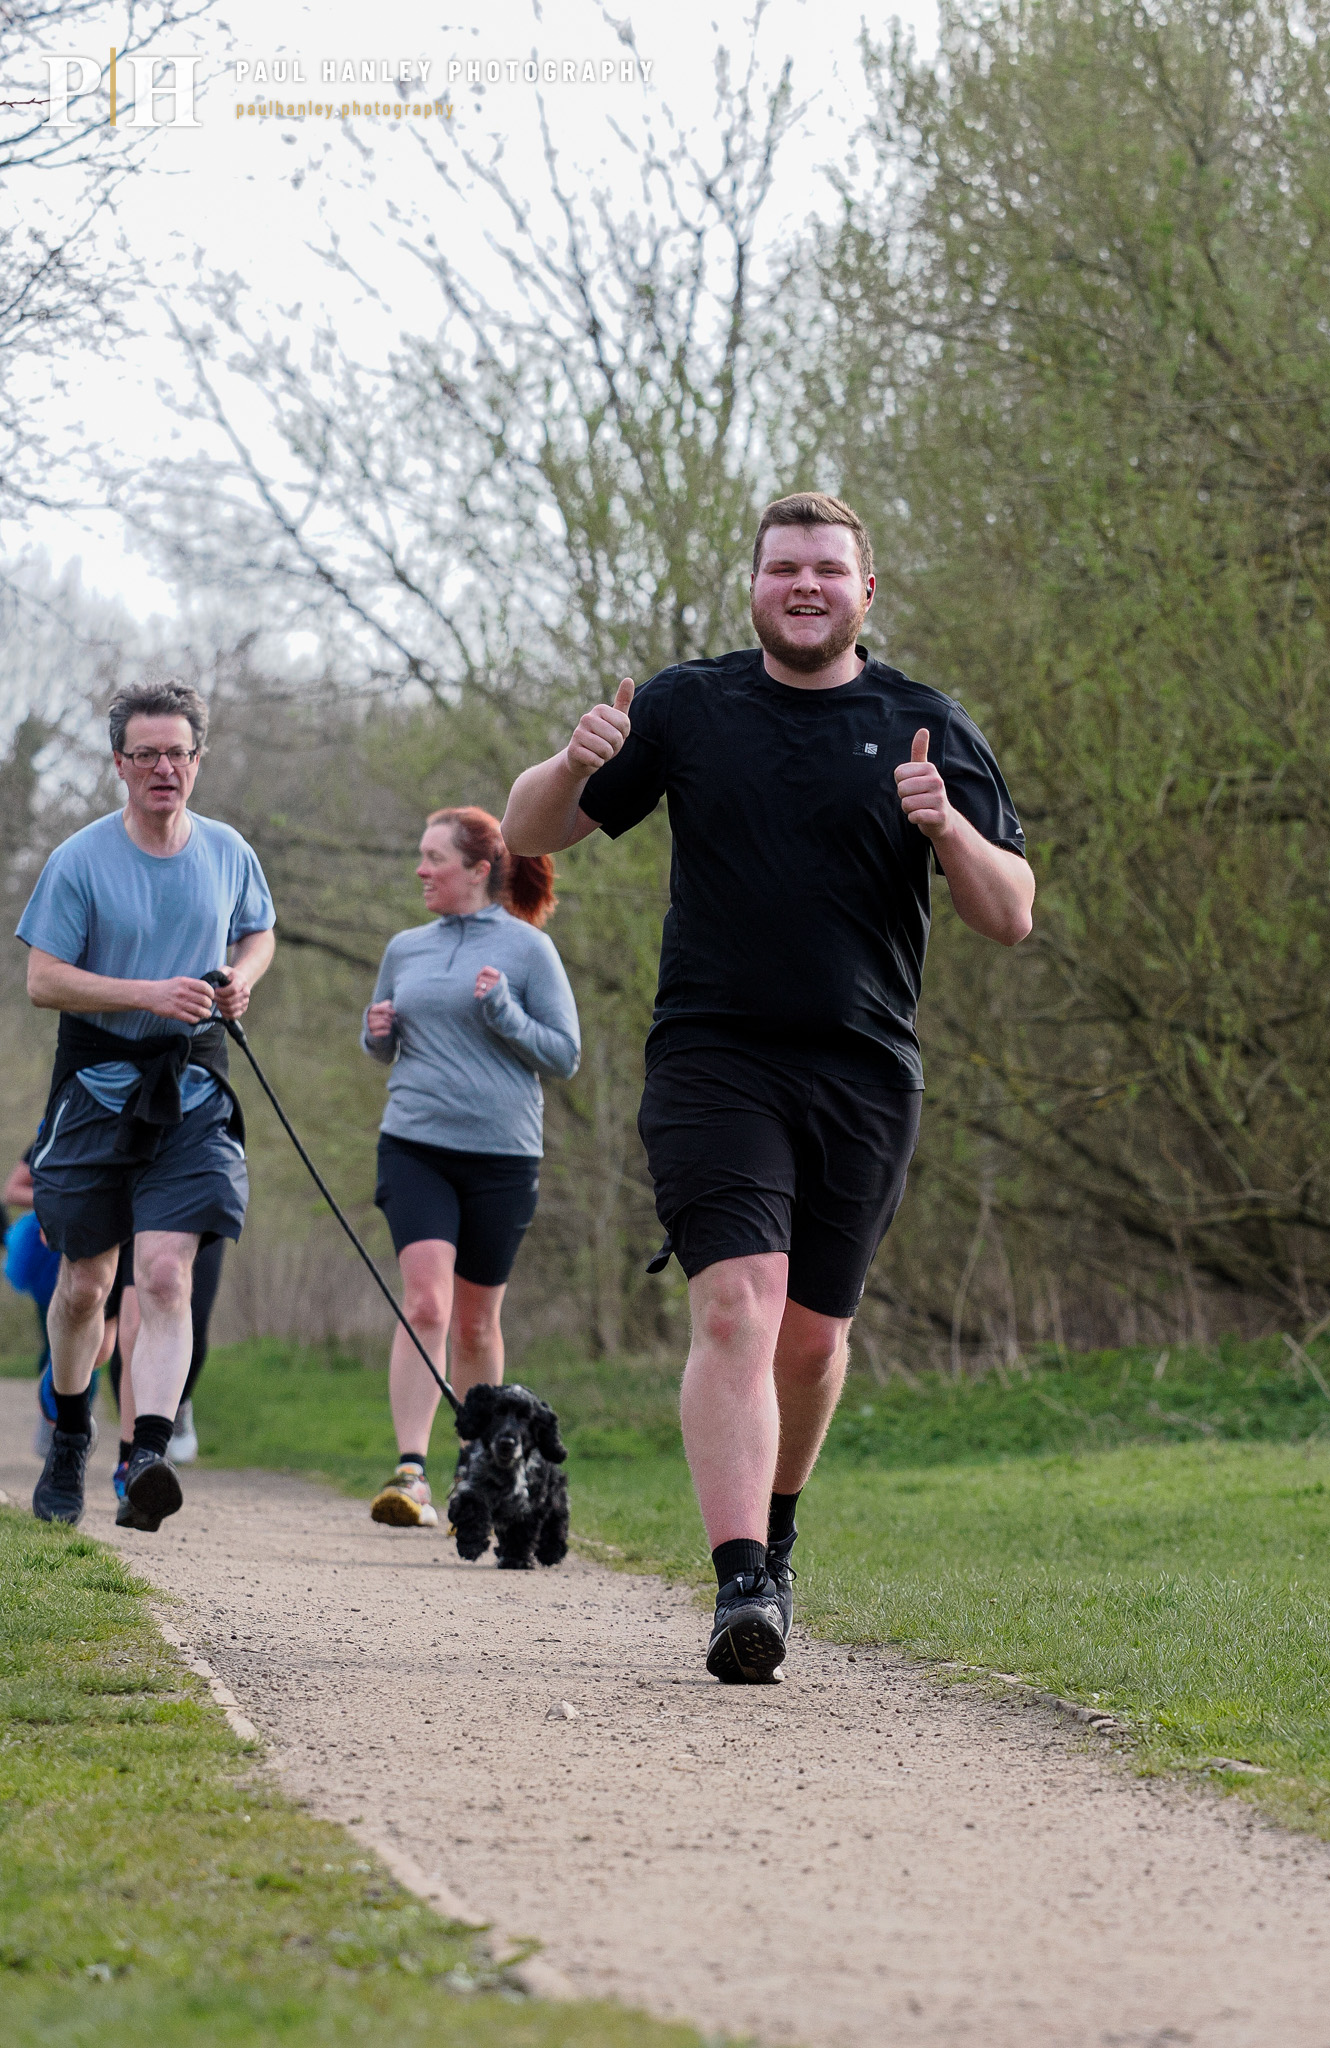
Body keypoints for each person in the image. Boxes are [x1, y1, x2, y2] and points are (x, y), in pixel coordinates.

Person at [501, 491, 1034, 1683]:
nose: (805, 585)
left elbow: (1013, 914)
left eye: (827, 570)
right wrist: (568, 760)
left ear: (865, 591)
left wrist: (948, 829)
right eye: (784, 567)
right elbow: (535, 834)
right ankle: (742, 1580)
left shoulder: (922, 723)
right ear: (753, 585)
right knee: (736, 1305)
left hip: (862, 1071)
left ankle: (778, 1532)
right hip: (713, 1056)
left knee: (810, 1338)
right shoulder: (690, 705)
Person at [20, 679, 276, 1532]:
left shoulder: (230, 851)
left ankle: (147, 1455)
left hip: (193, 1085)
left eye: (178, 753)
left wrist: (239, 978)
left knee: (167, 1272)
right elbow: (43, 979)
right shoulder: (80, 860)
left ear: (198, 761)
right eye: (146, 754)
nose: (163, 768)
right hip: (97, 1086)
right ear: (119, 766)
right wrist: (147, 993)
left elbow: (259, 930)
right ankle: (69, 1435)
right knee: (87, 1287)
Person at [361, 806, 580, 1527]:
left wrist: (506, 1014)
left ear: (479, 870)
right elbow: (384, 1046)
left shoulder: (527, 951)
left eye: (434, 858)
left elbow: (564, 1054)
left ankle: (479, 1471)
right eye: (420, 857)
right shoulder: (404, 947)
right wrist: (377, 1035)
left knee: (477, 1326)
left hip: (502, 1155)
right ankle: (410, 1471)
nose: (420, 870)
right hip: (415, 1143)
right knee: (426, 1302)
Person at [108, 1234, 226, 1489]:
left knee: (191, 1324)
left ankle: (174, 1407)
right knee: (130, 1330)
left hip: (199, 1200)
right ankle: (133, 1456)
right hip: (134, 1205)